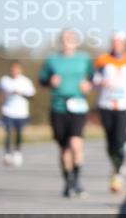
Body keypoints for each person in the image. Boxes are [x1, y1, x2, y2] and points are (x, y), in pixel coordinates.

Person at [39, 29, 96, 197]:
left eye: (71, 38)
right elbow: (41, 80)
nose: (68, 41)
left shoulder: (84, 58)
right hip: (58, 107)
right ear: (61, 42)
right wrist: (50, 81)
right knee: (64, 149)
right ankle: (67, 182)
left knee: (76, 144)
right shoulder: (52, 60)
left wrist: (89, 84)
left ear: (76, 42)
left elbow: (93, 77)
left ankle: (76, 181)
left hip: (78, 105)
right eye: (65, 38)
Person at [94, 31, 126, 192]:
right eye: (114, 42)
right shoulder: (102, 60)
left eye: (119, 42)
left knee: (120, 139)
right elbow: (94, 79)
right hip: (106, 104)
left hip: (124, 105)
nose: (116, 44)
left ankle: (118, 173)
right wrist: (101, 82)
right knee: (110, 141)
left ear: (124, 44)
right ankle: (115, 165)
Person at [0, 61, 36, 167]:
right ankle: (7, 154)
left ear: (20, 70)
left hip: (21, 112)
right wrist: (4, 95)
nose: (14, 71)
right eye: (13, 69)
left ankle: (17, 152)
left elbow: (32, 96)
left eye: (17, 69)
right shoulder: (4, 80)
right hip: (8, 110)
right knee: (8, 132)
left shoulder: (26, 81)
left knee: (19, 133)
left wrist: (21, 93)